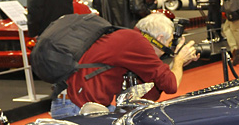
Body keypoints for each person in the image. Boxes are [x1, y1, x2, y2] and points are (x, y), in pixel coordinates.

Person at [65, 13, 198, 108]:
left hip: (76, 101)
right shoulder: (138, 43)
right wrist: (179, 61)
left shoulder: (130, 37)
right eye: (169, 43)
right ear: (160, 38)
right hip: (79, 106)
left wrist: (177, 65)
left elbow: (147, 94)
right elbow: (171, 85)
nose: (167, 49)